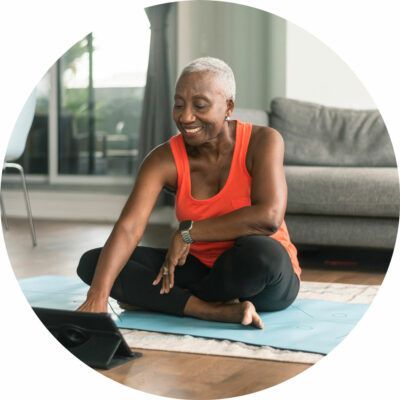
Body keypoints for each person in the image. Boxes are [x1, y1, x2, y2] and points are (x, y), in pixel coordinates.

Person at [76, 57, 301, 329]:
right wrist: (97, 298)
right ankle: (209, 310)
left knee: (262, 253)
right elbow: (129, 227)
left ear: (228, 105)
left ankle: (166, 300)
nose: (185, 117)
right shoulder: (163, 159)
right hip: (197, 269)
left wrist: (188, 232)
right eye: (179, 105)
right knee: (95, 264)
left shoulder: (263, 141)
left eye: (200, 106)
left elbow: (269, 217)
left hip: (259, 278)